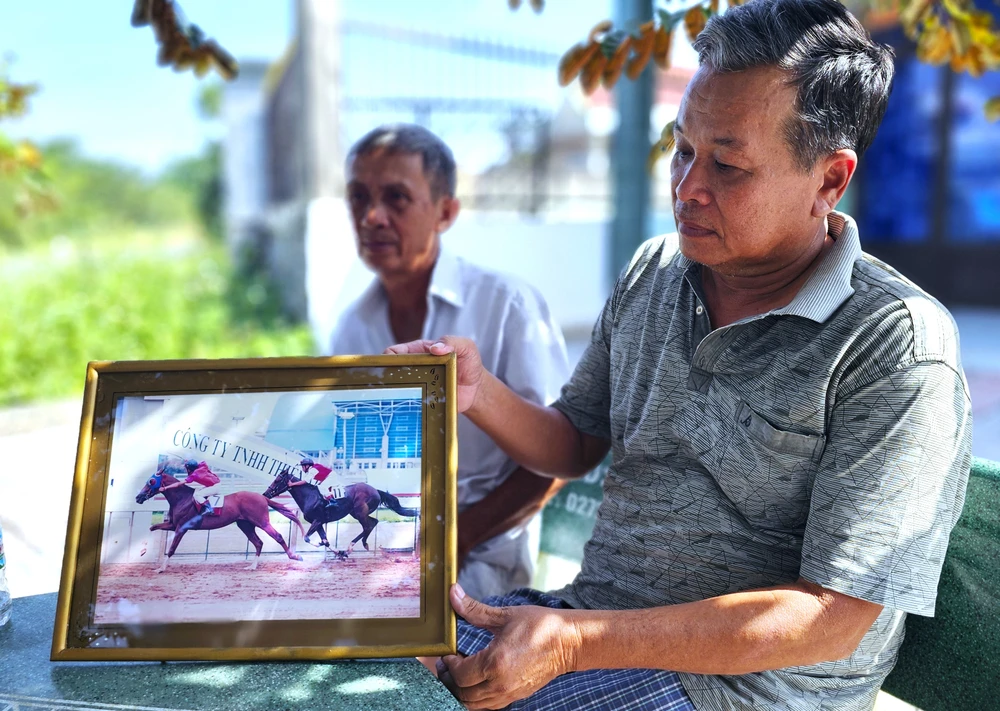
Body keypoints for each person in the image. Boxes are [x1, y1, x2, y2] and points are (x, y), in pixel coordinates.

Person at [387, 1, 973, 708]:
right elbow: (574, 442)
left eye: (727, 165)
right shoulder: (655, 271)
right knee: (355, 647)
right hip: (588, 623)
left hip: (744, 688)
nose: (687, 188)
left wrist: (576, 641)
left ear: (829, 180)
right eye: (682, 148)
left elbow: (831, 617)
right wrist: (477, 390)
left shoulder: (895, 342)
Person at [329, 123, 571, 600]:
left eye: (396, 198)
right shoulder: (351, 329)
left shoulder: (508, 306)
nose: (372, 216)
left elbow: (559, 461)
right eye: (359, 197)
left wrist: (454, 538)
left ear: (446, 212)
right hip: (385, 554)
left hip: (485, 568)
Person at [161, 459, 221, 533]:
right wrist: (187, 461)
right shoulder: (201, 466)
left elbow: (178, 484)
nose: (186, 469)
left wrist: (165, 488)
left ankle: (209, 508)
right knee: (197, 490)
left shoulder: (194, 475)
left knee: (197, 495)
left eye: (187, 468)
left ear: (189, 468)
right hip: (215, 484)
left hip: (215, 487)